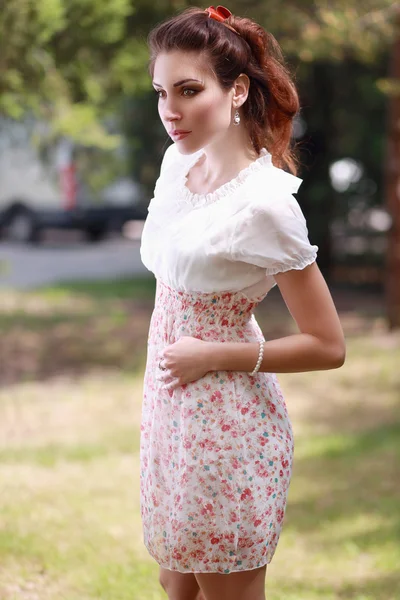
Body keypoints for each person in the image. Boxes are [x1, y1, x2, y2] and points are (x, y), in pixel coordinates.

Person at [139, 5, 346, 600]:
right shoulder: (178, 165)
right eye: (161, 92)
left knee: (222, 588)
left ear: (237, 91)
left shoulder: (266, 206)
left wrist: (214, 355)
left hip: (227, 423)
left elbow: (328, 345)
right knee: (175, 583)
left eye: (188, 90)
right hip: (170, 411)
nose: (170, 111)